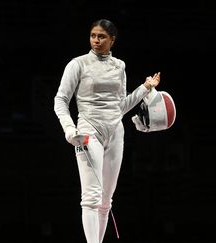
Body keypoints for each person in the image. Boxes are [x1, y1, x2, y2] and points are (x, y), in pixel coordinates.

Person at [53, 19, 160, 243]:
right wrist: (69, 129)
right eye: (93, 35)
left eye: (102, 37)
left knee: (105, 201)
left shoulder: (119, 66)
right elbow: (61, 100)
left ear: (112, 39)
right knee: (91, 197)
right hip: (88, 130)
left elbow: (120, 106)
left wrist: (145, 87)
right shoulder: (78, 64)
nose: (96, 40)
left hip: (115, 131)